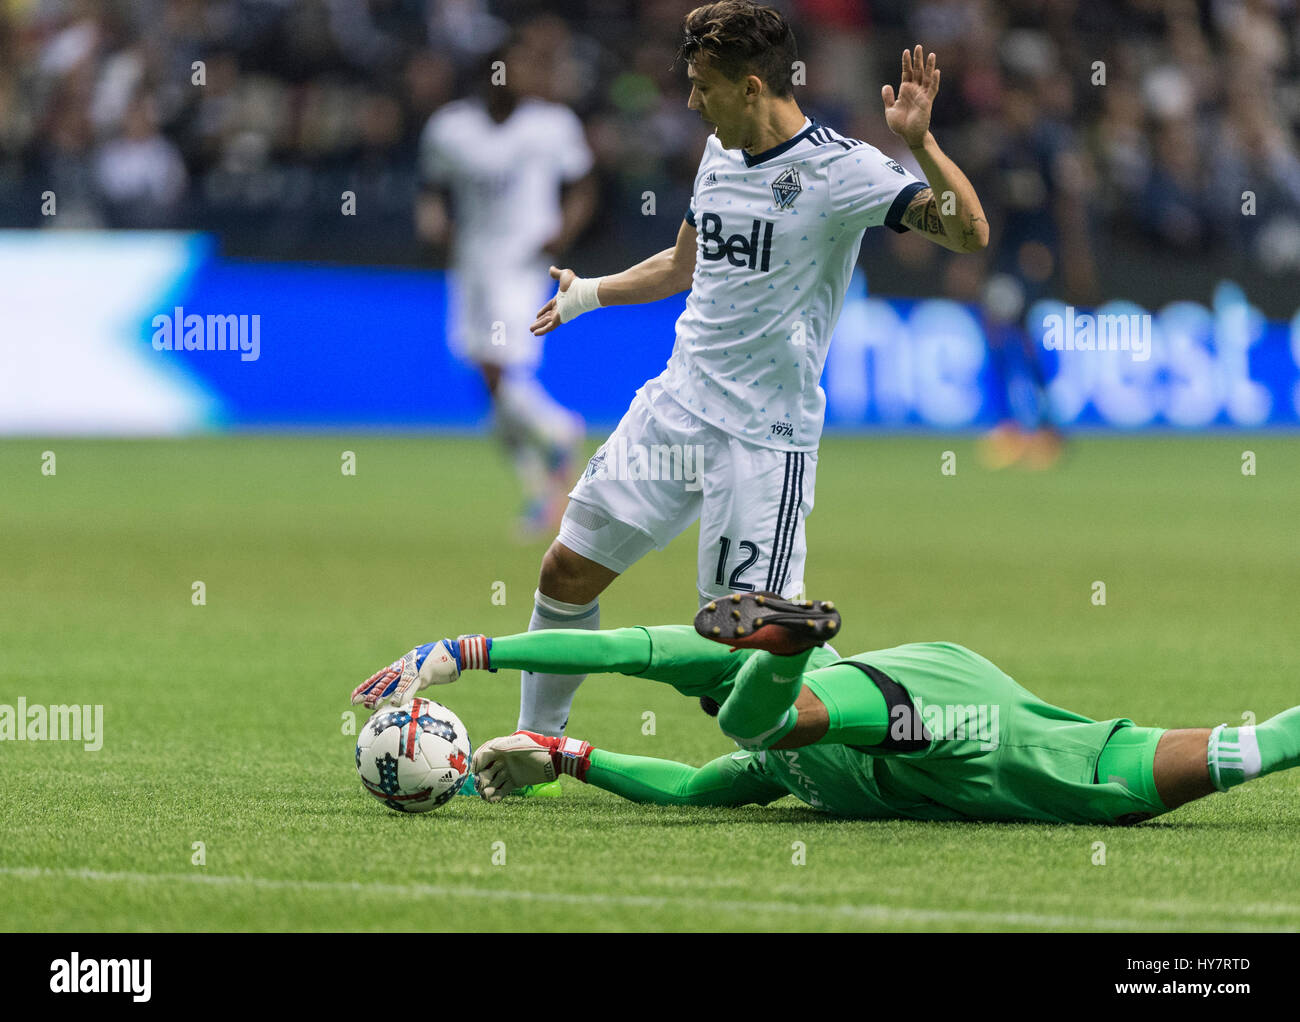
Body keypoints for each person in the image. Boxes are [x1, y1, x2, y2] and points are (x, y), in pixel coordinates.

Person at [512, 2, 989, 763]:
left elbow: (969, 233)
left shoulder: (842, 170)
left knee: (736, 661)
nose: (692, 102)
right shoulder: (718, 154)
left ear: (752, 86)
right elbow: (682, 264)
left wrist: (922, 145)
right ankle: (537, 746)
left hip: (762, 442)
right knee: (566, 567)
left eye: (702, 87)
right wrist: (586, 295)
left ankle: (900, 726)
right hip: (677, 407)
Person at [351, 593, 1299, 823]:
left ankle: (792, 638)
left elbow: (611, 649)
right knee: (1129, 785)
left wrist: (463, 654)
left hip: (916, 706)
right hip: (928, 721)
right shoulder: (770, 775)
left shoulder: (724, 683)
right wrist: (566, 753)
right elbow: (686, 792)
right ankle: (789, 641)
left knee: (753, 720)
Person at [418, 33, 597, 535]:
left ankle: (560, 430)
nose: (527, 75)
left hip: (524, 264)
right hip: (472, 263)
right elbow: (432, 190)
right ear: (493, 72)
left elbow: (584, 186)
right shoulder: (451, 127)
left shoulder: (552, 125)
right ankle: (542, 490)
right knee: (487, 378)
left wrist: (562, 230)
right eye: (516, 66)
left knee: (502, 365)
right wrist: (432, 222)